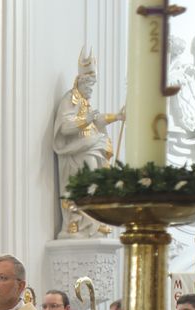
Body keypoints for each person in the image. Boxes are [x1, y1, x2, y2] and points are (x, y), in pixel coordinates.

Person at [53, 48, 124, 238]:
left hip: (92, 146)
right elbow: (65, 127)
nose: (91, 91)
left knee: (96, 184)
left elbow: (97, 120)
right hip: (79, 150)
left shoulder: (85, 102)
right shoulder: (71, 99)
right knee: (85, 184)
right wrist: (86, 120)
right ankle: (76, 221)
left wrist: (116, 117)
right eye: (89, 86)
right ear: (81, 83)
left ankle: (93, 222)